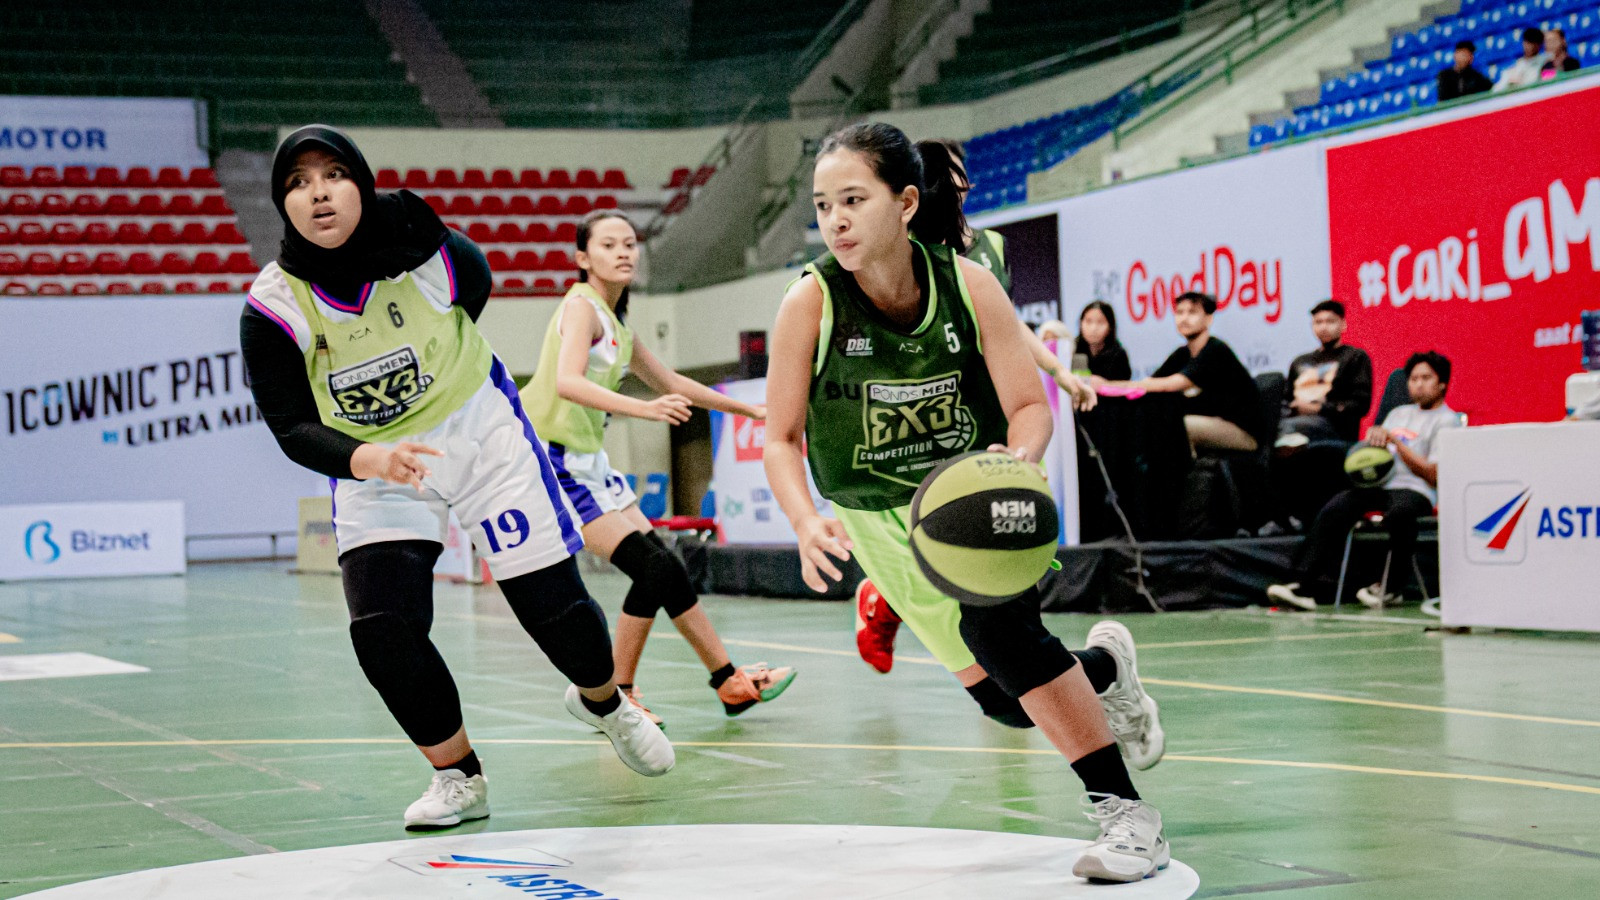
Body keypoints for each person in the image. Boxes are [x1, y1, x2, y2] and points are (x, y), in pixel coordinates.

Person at [766, 122, 1169, 884]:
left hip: (969, 495)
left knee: (1001, 631)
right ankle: (1104, 673)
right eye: (823, 206)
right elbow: (780, 438)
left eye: (854, 199)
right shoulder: (809, 303)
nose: (837, 220)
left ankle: (1128, 817)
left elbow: (1030, 406)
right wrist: (802, 516)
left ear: (906, 201)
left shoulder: (968, 282)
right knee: (1007, 701)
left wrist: (1015, 463)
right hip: (877, 519)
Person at [240, 126, 673, 831]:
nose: (316, 192)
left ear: (362, 183)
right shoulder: (274, 306)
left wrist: (440, 374)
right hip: (376, 464)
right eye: (296, 182)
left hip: (479, 431)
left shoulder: (423, 249)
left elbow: (475, 285)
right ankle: (458, 777)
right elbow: (290, 425)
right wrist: (370, 457)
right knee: (382, 627)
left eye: (333, 174)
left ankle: (605, 702)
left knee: (550, 605)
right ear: (281, 204)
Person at [521, 210, 794, 728]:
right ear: (584, 258)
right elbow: (566, 382)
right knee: (654, 569)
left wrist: (751, 410)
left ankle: (729, 684)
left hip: (588, 462)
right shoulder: (581, 308)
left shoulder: (618, 323)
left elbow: (671, 379)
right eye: (608, 245)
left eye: (629, 242)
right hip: (554, 461)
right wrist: (645, 409)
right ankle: (614, 695)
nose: (623, 251)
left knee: (666, 569)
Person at [855, 139, 1095, 676]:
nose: (965, 179)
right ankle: (894, 599)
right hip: (936, 412)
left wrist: (1058, 371)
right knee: (965, 546)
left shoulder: (990, 247)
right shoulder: (904, 250)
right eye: (956, 170)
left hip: (989, 411)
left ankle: (892, 600)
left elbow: (1006, 326)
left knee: (1004, 544)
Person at [1268, 351, 1461, 611]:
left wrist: (1394, 442)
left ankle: (1391, 589)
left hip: (1417, 491)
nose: (1417, 384)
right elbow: (1378, 452)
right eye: (1413, 378)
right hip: (1381, 486)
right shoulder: (1398, 414)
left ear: (1442, 384)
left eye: (1426, 378)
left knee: (1400, 513)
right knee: (1337, 506)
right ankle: (1300, 585)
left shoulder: (1448, 421)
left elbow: (1433, 474)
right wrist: (1371, 442)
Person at [1104, 291, 1262, 453]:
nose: (1184, 318)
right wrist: (1105, 386)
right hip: (1209, 421)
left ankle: (1182, 477)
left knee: (1176, 427)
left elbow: (1171, 384)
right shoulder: (1182, 354)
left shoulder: (1215, 350)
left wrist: (1108, 385)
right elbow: (1149, 383)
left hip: (1241, 431)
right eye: (1179, 312)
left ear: (1209, 319)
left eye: (1192, 312)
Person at [1281, 300, 1372, 444]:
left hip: (1335, 430)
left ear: (1343, 324)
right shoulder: (1299, 361)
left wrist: (1317, 408)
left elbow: (1360, 405)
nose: (1324, 327)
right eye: (1318, 322)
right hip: (1295, 422)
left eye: (1330, 322)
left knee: (1287, 429)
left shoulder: (1355, 357)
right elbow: (1286, 400)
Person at [1076, 301, 1132, 382]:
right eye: (1088, 322)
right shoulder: (1073, 349)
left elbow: (1124, 387)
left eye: (1100, 322)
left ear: (1110, 327)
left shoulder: (1118, 355)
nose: (1093, 328)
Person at [1493, 27, 1548, 91]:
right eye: (1527, 43)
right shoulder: (1517, 65)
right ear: (1523, 43)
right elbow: (1496, 89)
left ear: (1539, 45)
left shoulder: (1545, 60)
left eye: (1533, 43)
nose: (1530, 47)